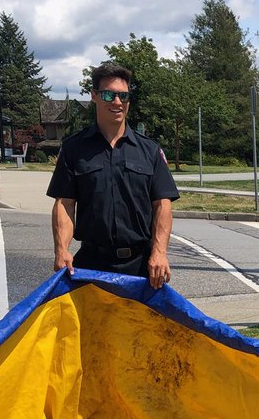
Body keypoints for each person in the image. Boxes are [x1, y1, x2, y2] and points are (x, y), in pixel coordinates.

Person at [48, 62, 179, 289]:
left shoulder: (149, 151)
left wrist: (159, 252)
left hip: (141, 268)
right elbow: (65, 204)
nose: (117, 102)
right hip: (90, 265)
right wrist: (61, 250)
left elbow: (162, 204)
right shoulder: (74, 149)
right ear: (94, 96)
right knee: (89, 325)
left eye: (123, 96)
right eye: (109, 95)